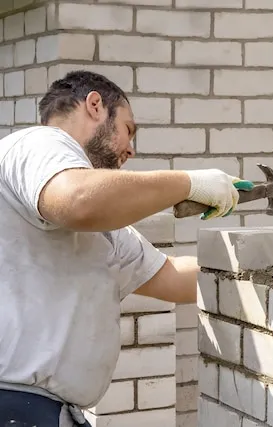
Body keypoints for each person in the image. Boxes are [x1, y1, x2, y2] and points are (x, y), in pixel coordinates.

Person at [0, 70, 249, 426]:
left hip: (44, 412)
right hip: (12, 405)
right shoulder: (40, 144)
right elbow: (78, 200)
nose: (130, 148)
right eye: (128, 130)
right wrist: (188, 182)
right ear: (95, 105)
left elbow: (171, 277)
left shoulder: (104, 231)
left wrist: (257, 276)